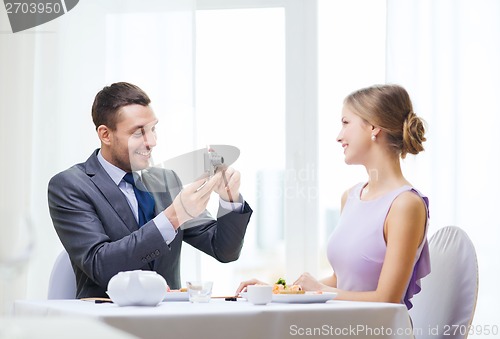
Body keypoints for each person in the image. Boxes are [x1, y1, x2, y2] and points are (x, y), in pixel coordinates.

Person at [48, 82, 253, 299]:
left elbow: (224, 250)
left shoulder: (165, 180)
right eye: (138, 133)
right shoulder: (70, 186)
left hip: (169, 323)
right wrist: (174, 217)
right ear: (105, 134)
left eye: (153, 129)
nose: (152, 142)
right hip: (108, 324)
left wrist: (229, 199)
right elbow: (101, 265)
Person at [236, 84, 430, 310]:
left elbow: (387, 298)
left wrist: (318, 290)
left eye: (346, 123)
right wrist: (276, 291)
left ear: (374, 127)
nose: (339, 136)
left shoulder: (405, 205)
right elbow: (342, 282)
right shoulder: (351, 197)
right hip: (340, 325)